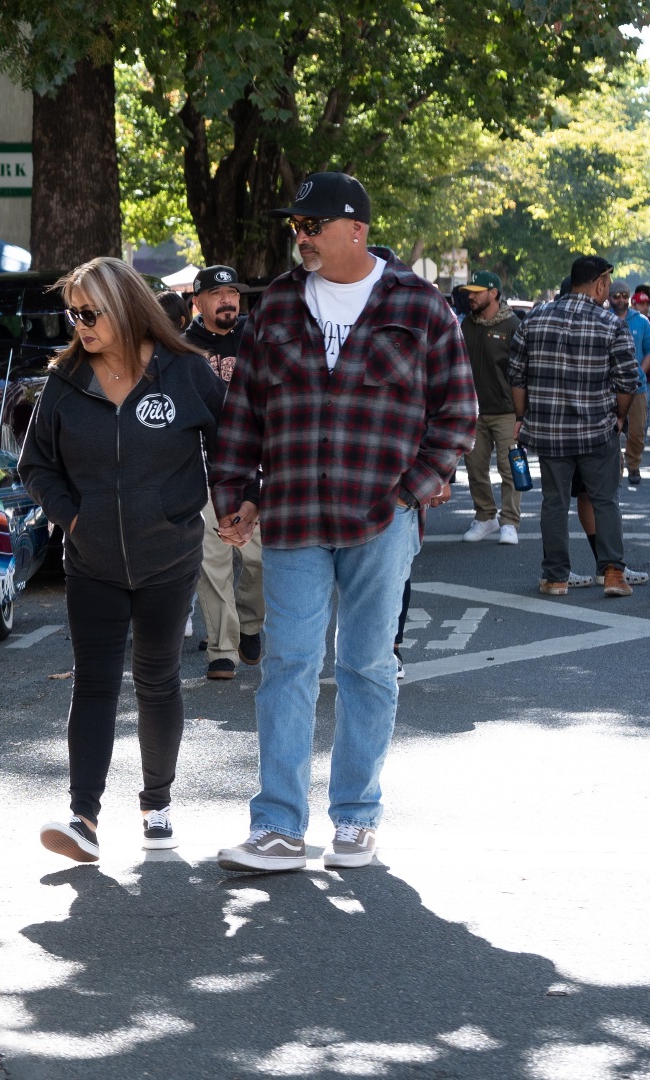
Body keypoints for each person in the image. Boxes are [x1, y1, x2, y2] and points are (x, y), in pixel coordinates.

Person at [210, 172, 476, 873]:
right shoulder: (273, 308)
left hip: (378, 518)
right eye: (294, 225)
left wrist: (409, 492)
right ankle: (277, 827)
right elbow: (243, 413)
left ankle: (355, 820)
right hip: (292, 512)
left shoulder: (418, 306)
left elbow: (457, 413)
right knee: (286, 666)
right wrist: (231, 493)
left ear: (353, 229)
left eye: (309, 224)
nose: (297, 236)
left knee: (366, 667)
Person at [20, 257, 225, 862]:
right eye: (73, 314)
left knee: (157, 679)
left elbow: (232, 440)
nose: (79, 324)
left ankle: (157, 803)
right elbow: (35, 466)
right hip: (91, 560)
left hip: (169, 555)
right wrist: (74, 518)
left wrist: (231, 502)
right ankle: (83, 816)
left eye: (91, 313)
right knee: (95, 683)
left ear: (127, 307)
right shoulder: (64, 383)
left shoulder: (184, 372)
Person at [508, 255, 638, 597]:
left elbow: (517, 376)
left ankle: (555, 577)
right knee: (605, 500)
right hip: (597, 429)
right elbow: (628, 381)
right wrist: (620, 416)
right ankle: (612, 573)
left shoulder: (534, 319)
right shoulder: (611, 324)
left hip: (548, 433)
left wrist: (521, 417)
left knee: (554, 502)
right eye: (608, 284)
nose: (609, 291)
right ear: (599, 284)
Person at [182, 265, 263, 679]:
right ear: (197, 302)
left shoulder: (256, 335)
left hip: (255, 468)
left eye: (233, 292)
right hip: (204, 470)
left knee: (260, 559)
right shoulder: (181, 347)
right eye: (217, 293)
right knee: (212, 564)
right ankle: (222, 649)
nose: (228, 299)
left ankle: (251, 622)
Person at [459, 271, 524, 543]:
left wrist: (523, 413)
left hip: (507, 410)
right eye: (469, 292)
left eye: (477, 291)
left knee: (511, 468)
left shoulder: (513, 325)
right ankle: (485, 516)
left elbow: (523, 371)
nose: (470, 297)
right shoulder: (467, 326)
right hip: (473, 411)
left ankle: (510, 521)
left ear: (494, 293)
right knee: (475, 468)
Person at [614, 284, 650, 486]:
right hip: (609, 389)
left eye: (624, 296)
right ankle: (616, 465)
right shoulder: (603, 319)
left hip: (636, 387)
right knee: (610, 431)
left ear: (629, 298)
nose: (620, 300)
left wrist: (640, 371)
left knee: (638, 431)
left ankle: (633, 465)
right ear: (609, 298)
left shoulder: (642, 321)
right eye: (616, 296)